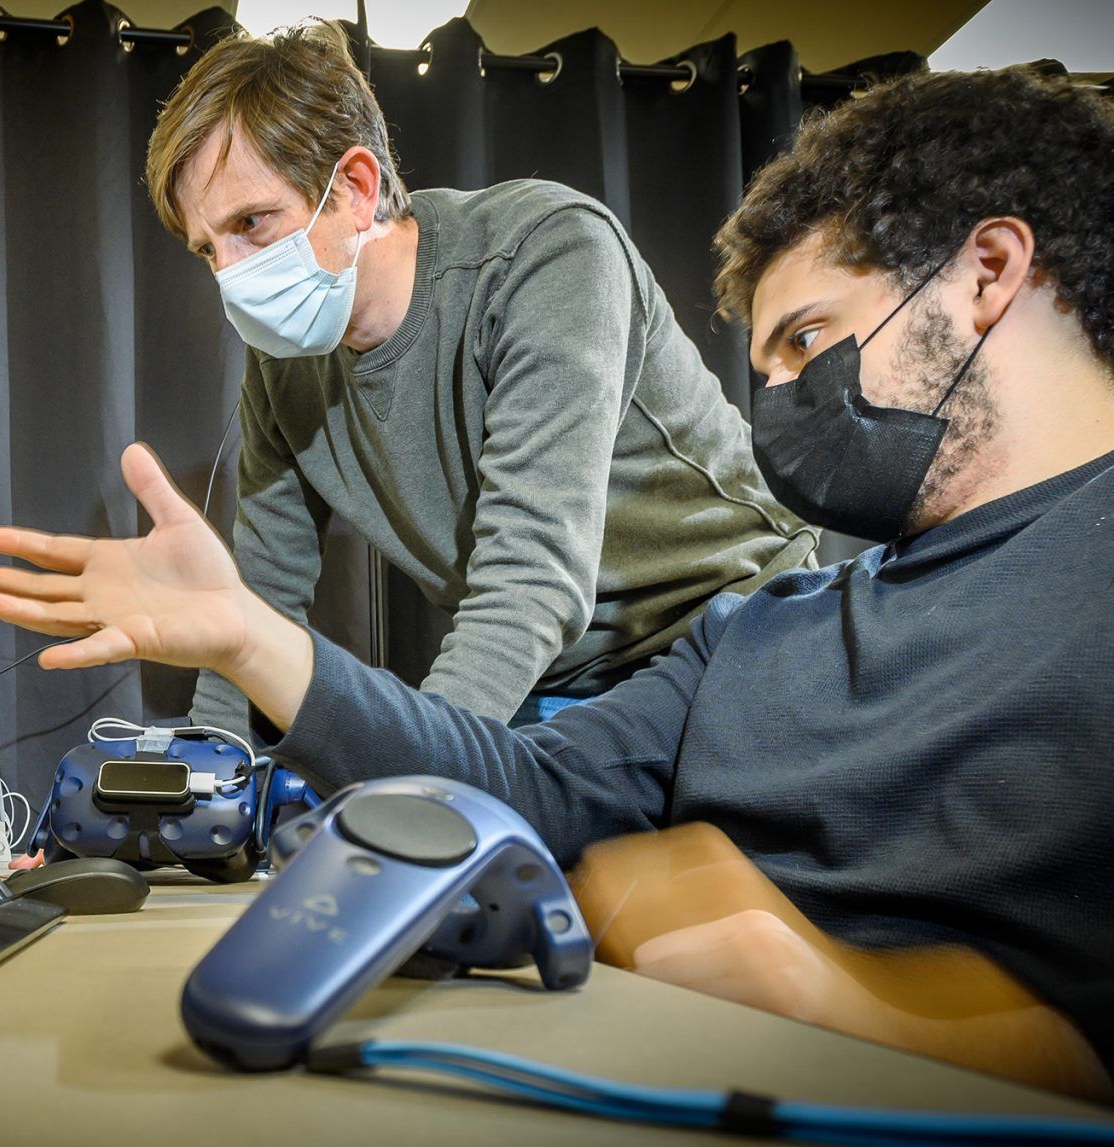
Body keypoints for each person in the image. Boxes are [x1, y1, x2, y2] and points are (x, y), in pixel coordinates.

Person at [0, 65, 1114, 1141]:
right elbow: (503, 767)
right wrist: (247, 659)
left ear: (993, 273)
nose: (775, 405)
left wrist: (953, 1022)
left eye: (808, 341)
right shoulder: (761, 653)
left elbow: (531, 571)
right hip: (658, 732)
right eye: (761, 363)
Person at [151, 22, 816, 731]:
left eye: (251, 223)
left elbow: (531, 577)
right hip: (561, 674)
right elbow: (262, 598)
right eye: (207, 250)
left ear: (354, 188)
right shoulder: (282, 370)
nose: (231, 275)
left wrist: (418, 776)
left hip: (733, 626)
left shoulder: (547, 252)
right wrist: (200, 785)